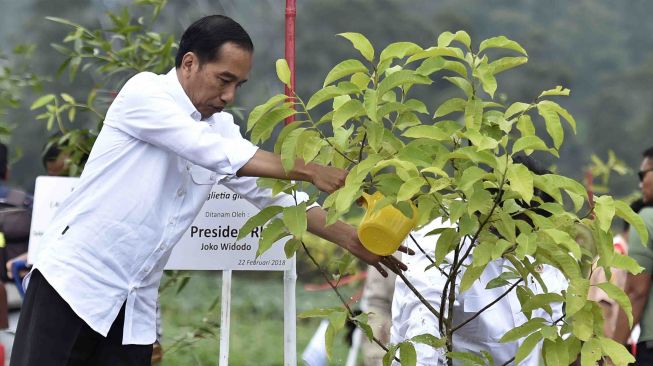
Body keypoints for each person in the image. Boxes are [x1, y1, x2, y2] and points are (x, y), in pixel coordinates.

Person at [10, 15, 406, 366]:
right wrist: (310, 169)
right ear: (189, 63)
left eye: (239, 84)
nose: (230, 96)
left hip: (133, 305)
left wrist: (352, 239)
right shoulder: (144, 93)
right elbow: (214, 152)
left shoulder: (220, 129)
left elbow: (274, 196)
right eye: (224, 80)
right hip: (72, 288)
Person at [390, 155, 567, 365]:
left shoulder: (538, 253)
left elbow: (556, 330)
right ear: (495, 208)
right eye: (525, 225)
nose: (526, 237)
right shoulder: (445, 239)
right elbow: (423, 323)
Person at [613, 146, 653, 363]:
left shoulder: (646, 218)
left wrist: (614, 352)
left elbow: (636, 292)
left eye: (643, 174)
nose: (640, 184)